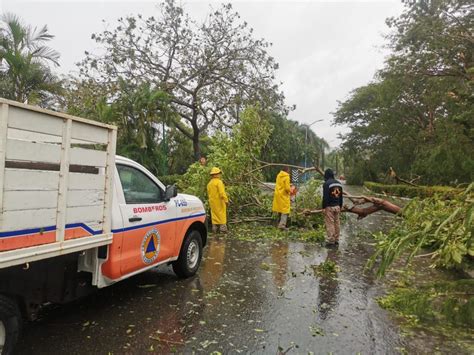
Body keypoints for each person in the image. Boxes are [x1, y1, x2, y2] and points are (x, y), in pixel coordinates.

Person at [322, 168, 343, 246]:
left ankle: (331, 241)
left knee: (330, 223)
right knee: (337, 223)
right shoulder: (339, 183)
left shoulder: (326, 184)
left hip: (329, 207)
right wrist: (340, 206)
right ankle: (336, 240)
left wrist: (324, 207)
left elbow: (325, 197)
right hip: (337, 206)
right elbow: (341, 196)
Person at [207, 167, 229, 233]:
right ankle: (223, 229)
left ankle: (214, 229)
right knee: (221, 215)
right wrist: (226, 200)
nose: (220, 175)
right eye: (219, 173)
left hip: (212, 202)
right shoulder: (219, 182)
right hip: (220, 202)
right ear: (216, 174)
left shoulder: (209, 184)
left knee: (214, 215)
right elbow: (222, 193)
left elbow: (209, 193)